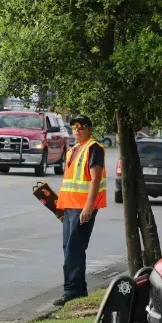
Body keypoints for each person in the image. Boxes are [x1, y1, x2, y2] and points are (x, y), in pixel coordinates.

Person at [53, 114, 107, 306]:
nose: (77, 129)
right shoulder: (74, 149)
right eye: (74, 126)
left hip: (82, 207)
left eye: (82, 126)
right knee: (69, 248)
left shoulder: (93, 148)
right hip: (69, 206)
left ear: (90, 129)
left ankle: (72, 291)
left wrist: (88, 207)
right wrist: (60, 205)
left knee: (74, 249)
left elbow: (95, 179)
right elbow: (70, 181)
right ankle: (78, 289)